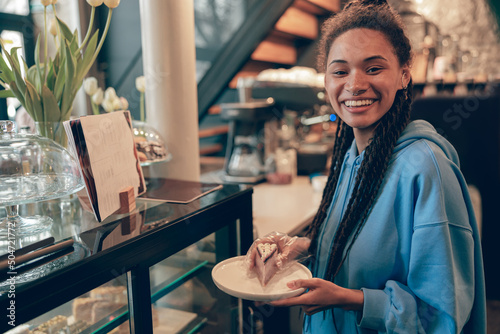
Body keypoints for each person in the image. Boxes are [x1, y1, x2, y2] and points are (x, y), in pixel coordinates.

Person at [247, 0, 486, 332]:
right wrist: (304, 247)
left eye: (373, 68)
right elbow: (358, 252)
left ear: (405, 74)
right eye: (340, 71)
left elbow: (442, 316)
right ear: (326, 80)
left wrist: (350, 299)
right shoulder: (351, 157)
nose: (355, 84)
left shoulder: (426, 170)